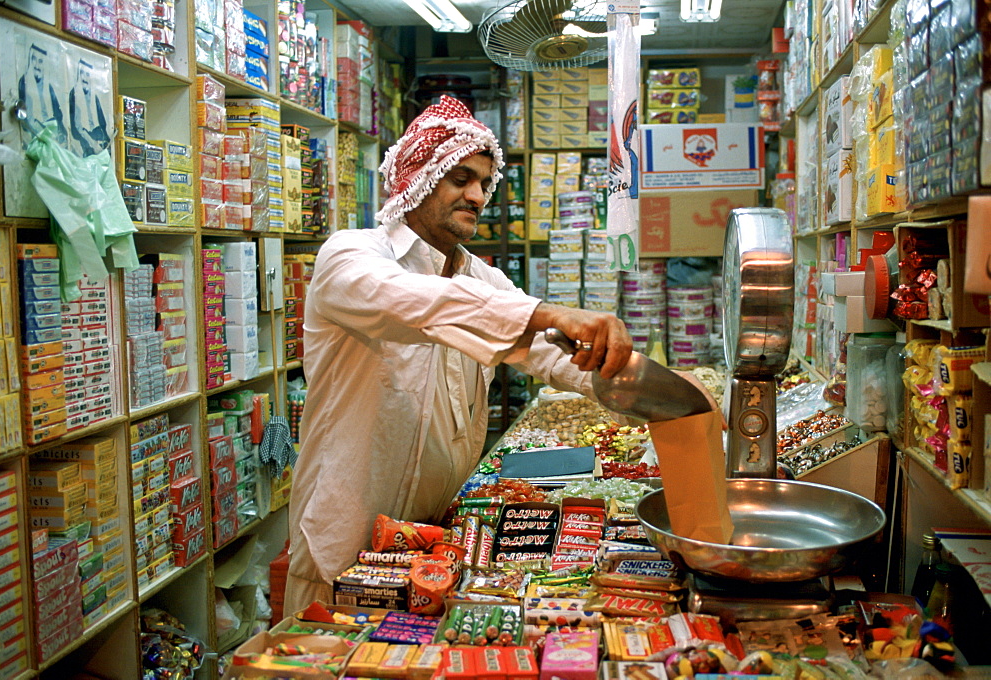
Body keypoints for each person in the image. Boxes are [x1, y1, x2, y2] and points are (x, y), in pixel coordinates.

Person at [284, 95, 713, 615]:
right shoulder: (350, 255)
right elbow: (413, 303)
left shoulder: (484, 280)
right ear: (418, 176)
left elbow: (548, 354)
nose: (477, 195)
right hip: (344, 533)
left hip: (428, 538)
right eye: (460, 177)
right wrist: (549, 313)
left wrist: (657, 390)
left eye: (485, 183)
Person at [17, 43, 67, 147]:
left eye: (40, 61)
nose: (37, 65)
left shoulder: (48, 86)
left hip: (51, 132)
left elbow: (57, 114)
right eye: (34, 59)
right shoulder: (24, 82)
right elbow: (28, 121)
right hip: (35, 134)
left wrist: (61, 132)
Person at [68, 59, 110, 156]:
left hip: (98, 140)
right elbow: (76, 129)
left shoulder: (95, 96)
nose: (84, 78)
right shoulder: (73, 95)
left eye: (87, 74)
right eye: (82, 73)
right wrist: (92, 142)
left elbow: (102, 123)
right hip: (83, 141)